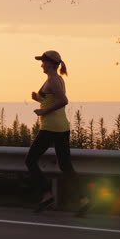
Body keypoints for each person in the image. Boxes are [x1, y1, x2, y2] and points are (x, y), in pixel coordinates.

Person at [25, 50, 91, 216]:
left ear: (51, 64)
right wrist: (38, 99)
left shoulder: (54, 79)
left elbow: (63, 101)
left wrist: (44, 111)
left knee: (30, 160)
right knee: (65, 166)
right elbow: (52, 98)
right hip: (62, 127)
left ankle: (47, 195)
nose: (41, 64)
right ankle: (84, 200)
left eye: (43, 62)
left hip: (51, 127)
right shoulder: (55, 79)